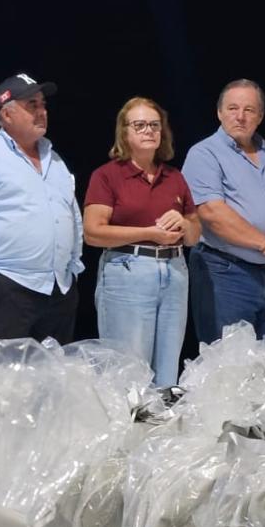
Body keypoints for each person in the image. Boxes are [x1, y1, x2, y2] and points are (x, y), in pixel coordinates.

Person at [0, 73, 83, 342]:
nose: (41, 111)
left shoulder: (54, 160)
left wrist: (74, 267)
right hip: (9, 290)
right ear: (7, 115)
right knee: (7, 382)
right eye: (31, 104)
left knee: (56, 380)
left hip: (60, 290)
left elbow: (72, 215)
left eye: (43, 104)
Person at [182, 79, 265, 343]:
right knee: (227, 367)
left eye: (249, 110)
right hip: (226, 273)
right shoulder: (204, 154)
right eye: (232, 108)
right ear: (219, 112)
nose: (240, 116)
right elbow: (212, 214)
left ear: (260, 116)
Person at [83, 97, 199, 386]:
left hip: (174, 271)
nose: (149, 131)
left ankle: (160, 428)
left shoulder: (174, 177)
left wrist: (184, 223)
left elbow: (195, 235)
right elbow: (93, 232)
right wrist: (149, 233)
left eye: (154, 125)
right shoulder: (108, 176)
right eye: (140, 125)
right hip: (129, 270)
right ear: (125, 132)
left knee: (167, 368)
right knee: (129, 370)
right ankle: (128, 428)